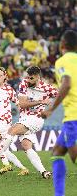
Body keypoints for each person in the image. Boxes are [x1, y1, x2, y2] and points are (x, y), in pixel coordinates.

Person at [0, 66, 58, 179]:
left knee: (12, 130)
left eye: (31, 78)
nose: (28, 80)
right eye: (28, 77)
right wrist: (41, 101)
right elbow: (22, 104)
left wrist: (50, 108)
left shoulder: (47, 88)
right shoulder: (24, 84)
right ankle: (44, 172)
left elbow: (61, 95)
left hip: (36, 119)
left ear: (37, 77)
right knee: (26, 146)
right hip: (24, 119)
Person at [41, 30, 77, 196]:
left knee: (74, 156)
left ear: (62, 45)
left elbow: (67, 83)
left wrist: (51, 108)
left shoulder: (62, 61)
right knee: (57, 152)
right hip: (72, 118)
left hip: (73, 117)